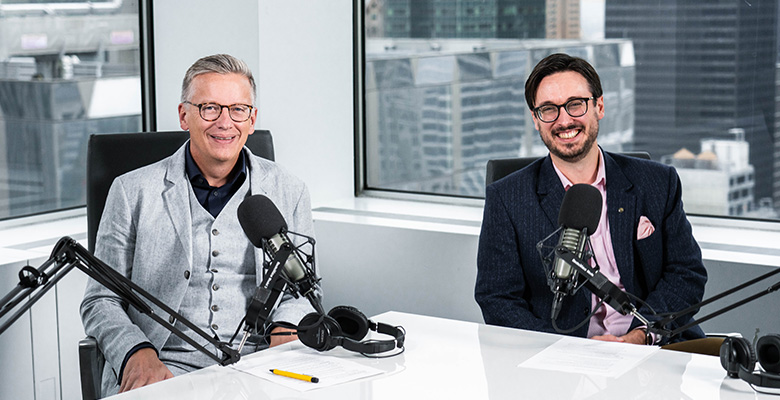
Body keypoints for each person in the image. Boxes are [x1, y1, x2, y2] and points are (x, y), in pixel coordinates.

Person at [81, 54, 319, 396]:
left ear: (251, 120)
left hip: (260, 364)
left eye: (238, 109)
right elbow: (99, 298)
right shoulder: (131, 191)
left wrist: (284, 328)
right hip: (164, 366)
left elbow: (305, 288)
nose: (225, 122)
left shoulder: (290, 190)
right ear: (184, 115)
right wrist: (136, 352)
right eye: (210, 108)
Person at [475, 53, 707, 345]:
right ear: (535, 120)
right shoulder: (507, 198)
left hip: (652, 348)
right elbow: (497, 299)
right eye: (548, 109)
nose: (564, 120)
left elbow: (686, 273)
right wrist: (568, 351)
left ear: (599, 106)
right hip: (560, 361)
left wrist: (640, 337)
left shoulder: (658, 182)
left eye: (575, 104)